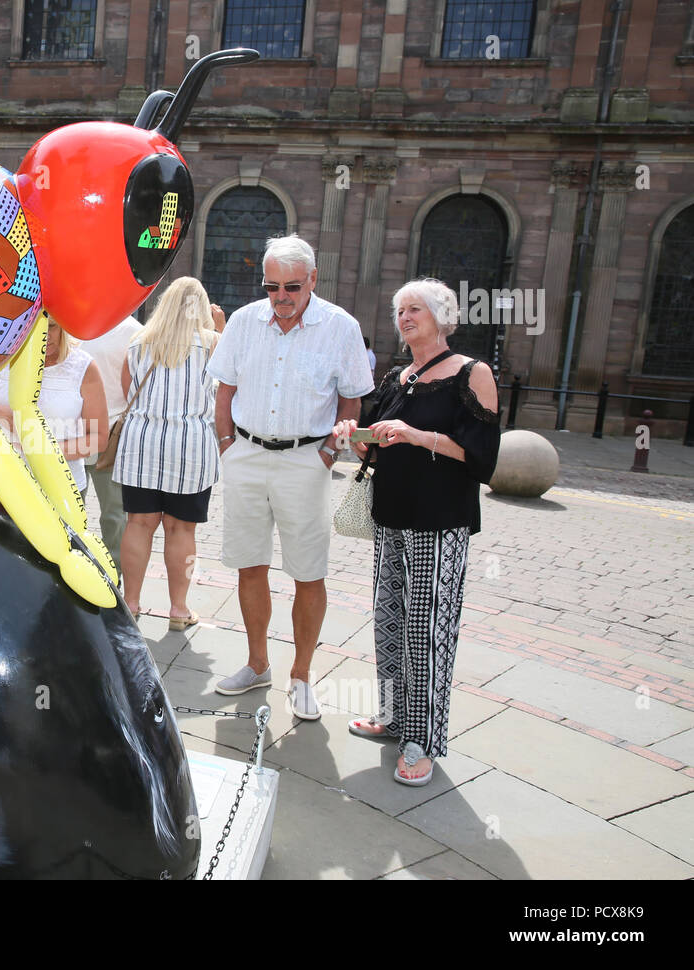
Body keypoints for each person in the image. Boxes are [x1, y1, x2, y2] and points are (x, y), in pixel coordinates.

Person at [334, 278, 499, 786]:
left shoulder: (472, 374)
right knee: (388, 623)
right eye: (400, 310)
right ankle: (392, 717)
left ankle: (420, 741)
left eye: (416, 310)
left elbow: (482, 456)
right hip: (391, 515)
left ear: (443, 317)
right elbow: (378, 448)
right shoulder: (396, 377)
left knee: (426, 633)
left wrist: (417, 435)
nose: (405, 318)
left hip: (439, 520)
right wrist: (355, 440)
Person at [209, 234, 374, 720]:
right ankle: (258, 663)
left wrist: (326, 454)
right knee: (249, 563)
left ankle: (301, 675)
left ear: (313, 280)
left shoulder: (340, 327)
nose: (281, 296)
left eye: (292, 287)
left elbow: (352, 398)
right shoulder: (243, 322)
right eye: (272, 287)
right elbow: (224, 391)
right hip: (246, 455)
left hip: (306, 461)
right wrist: (226, 445)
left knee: (308, 571)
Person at [110, 279, 220, 628]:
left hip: (142, 443)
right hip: (190, 446)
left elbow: (130, 392)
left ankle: (132, 602)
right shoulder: (213, 343)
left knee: (138, 524)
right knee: (181, 531)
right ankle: (179, 608)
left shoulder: (139, 343)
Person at [0, 317, 107, 493]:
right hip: (3, 482)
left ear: (63, 327)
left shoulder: (83, 367)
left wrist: (42, 451)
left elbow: (98, 439)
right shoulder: (1, 358)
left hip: (61, 488)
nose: (44, 335)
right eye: (32, 328)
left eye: (51, 326)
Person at [77, 315, 143, 575]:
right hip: (73, 432)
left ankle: (113, 575)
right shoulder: (76, 321)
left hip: (113, 433)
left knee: (113, 514)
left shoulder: (134, 332)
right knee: (74, 510)